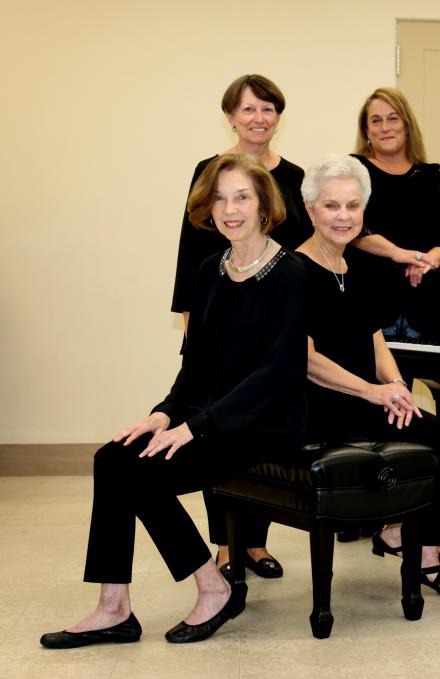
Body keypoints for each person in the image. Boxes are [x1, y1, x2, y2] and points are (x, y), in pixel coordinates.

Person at [40, 154, 308, 648]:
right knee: (113, 458)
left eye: (242, 197)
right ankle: (114, 606)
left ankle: (212, 586)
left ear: (264, 204)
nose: (230, 209)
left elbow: (276, 374)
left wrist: (195, 427)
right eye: (221, 198)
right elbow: (197, 366)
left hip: (264, 424)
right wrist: (163, 413)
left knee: (138, 474)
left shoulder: (292, 274)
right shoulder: (212, 269)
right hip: (210, 417)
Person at [297, 154, 440, 598]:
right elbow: (305, 359)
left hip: (363, 397)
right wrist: (373, 393)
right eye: (332, 206)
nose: (343, 216)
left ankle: (414, 545)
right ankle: (410, 546)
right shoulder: (293, 270)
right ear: (311, 210)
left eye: (353, 206)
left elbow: (375, 337)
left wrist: (395, 386)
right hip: (316, 405)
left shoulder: (354, 269)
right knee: (432, 436)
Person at [171, 74, 312, 579]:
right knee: (212, 419)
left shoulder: (294, 176)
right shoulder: (209, 171)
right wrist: (192, 326)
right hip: (217, 317)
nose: (259, 119)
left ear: (279, 117)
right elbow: (191, 254)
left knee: (258, 423)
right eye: (249, 109)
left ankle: (255, 542)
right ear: (230, 116)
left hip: (270, 320)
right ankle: (225, 543)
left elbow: (304, 250)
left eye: (268, 109)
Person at [349, 87, 440, 338]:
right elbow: (352, 228)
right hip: (369, 303)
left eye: (393, 118)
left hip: (426, 303)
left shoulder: (437, 176)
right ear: (367, 131)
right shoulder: (353, 170)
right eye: (376, 120)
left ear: (406, 126)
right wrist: (401, 254)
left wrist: (426, 262)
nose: (385, 127)